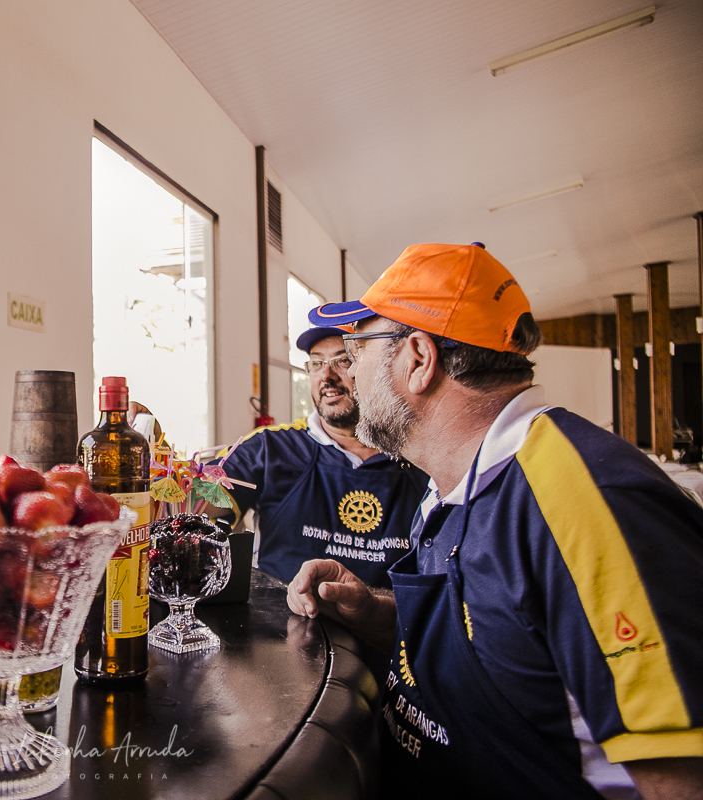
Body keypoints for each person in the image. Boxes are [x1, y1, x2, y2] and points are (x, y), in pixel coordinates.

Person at [291, 242, 703, 799]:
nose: (350, 372)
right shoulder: (453, 484)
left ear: (418, 358)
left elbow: (682, 780)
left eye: (358, 349)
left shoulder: (587, 502)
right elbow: (500, 639)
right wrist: (371, 610)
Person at [212, 326, 427, 587]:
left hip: (389, 612)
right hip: (280, 611)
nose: (326, 376)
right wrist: (174, 479)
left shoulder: (419, 456)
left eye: (343, 360)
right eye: (317, 363)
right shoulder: (270, 447)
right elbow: (201, 500)